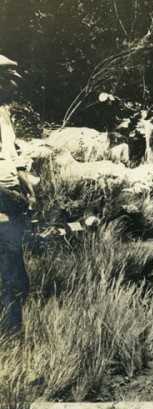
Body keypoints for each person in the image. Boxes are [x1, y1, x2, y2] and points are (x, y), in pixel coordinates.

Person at [0, 55, 34, 339]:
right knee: (9, 276)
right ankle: (12, 337)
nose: (12, 85)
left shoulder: (4, 113)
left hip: (11, 198)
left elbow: (12, 157)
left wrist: (25, 184)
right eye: (5, 80)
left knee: (18, 276)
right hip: (1, 200)